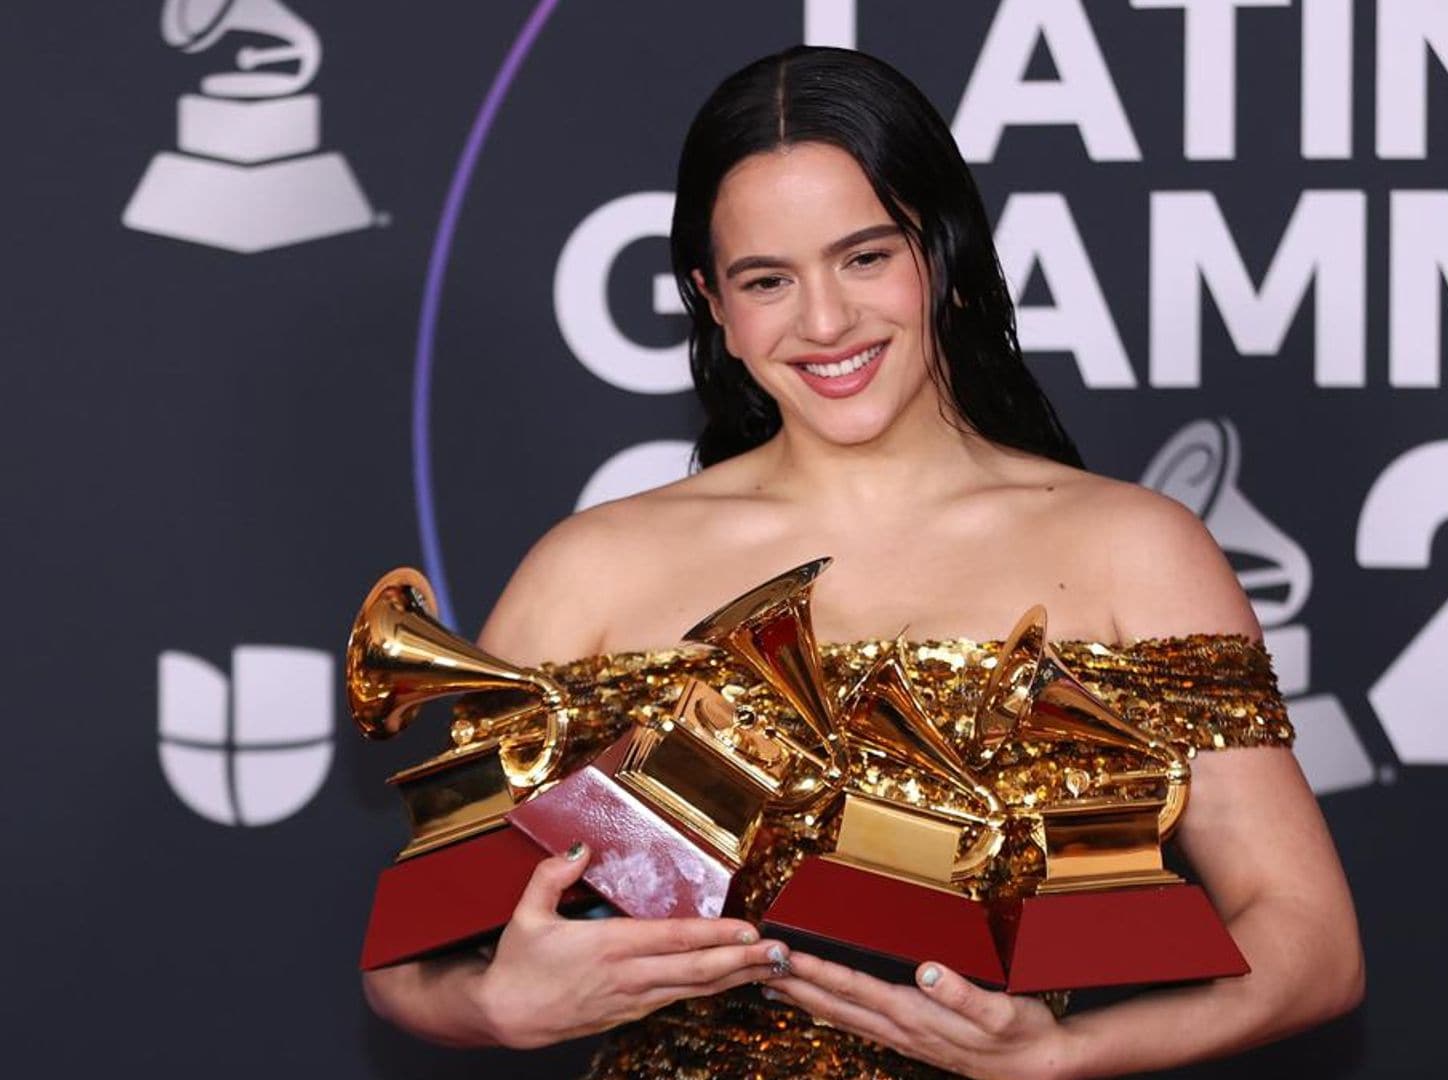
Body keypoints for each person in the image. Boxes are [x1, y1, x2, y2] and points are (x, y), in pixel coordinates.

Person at [363, 44, 1363, 1079]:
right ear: (713, 300)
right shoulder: (591, 567)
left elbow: (1310, 945)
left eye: (867, 257)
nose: (827, 321)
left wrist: (1061, 1056)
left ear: (944, 253)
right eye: (767, 279)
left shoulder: (1131, 550)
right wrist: (496, 1003)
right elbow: (406, 960)